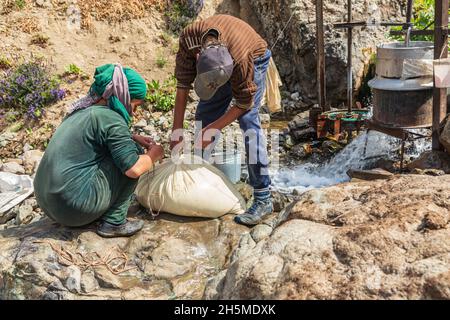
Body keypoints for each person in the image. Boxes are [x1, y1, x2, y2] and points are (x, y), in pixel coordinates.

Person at [34, 64, 164, 238]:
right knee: (133, 154)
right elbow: (134, 169)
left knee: (125, 147)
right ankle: (114, 222)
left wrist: (131, 135)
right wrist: (154, 154)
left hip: (48, 204)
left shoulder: (81, 110)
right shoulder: (111, 118)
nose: (134, 113)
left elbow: (95, 137)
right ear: (122, 95)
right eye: (135, 105)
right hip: (72, 208)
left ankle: (98, 210)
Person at [171, 14, 273, 226]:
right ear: (198, 57)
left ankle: (263, 197)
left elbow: (243, 103)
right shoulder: (189, 38)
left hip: (255, 57)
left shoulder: (242, 60)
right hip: (222, 63)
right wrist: (176, 132)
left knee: (249, 124)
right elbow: (182, 86)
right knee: (205, 114)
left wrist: (215, 129)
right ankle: (196, 176)